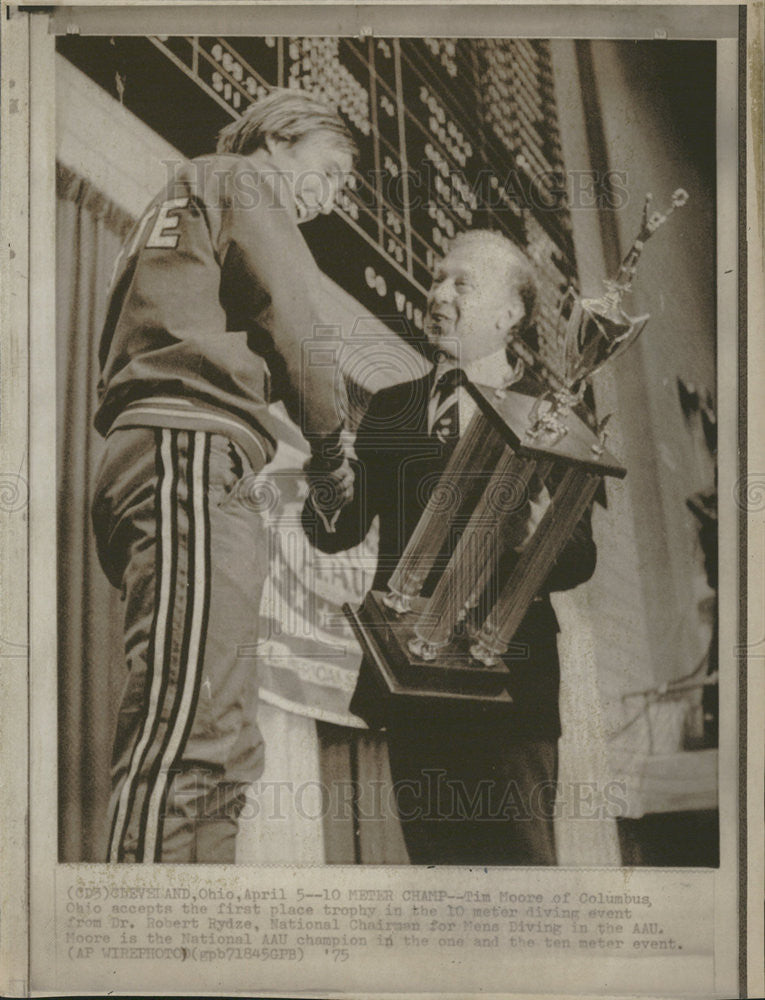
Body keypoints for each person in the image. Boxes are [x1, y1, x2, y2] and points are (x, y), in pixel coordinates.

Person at [92, 88, 357, 863]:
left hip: (189, 459)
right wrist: (334, 457)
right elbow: (298, 327)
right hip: (188, 448)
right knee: (182, 737)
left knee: (221, 744)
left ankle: (190, 953)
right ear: (279, 135)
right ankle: (136, 959)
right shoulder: (241, 179)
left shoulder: (184, 195)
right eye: (332, 170)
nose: (332, 196)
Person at [302, 229, 597, 865]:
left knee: (522, 886)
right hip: (413, 685)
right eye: (437, 278)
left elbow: (579, 556)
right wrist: (327, 477)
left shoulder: (553, 413)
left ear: (510, 314)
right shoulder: (390, 408)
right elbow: (338, 531)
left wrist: (537, 534)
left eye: (461, 282)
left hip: (512, 689)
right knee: (440, 884)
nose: (438, 294)